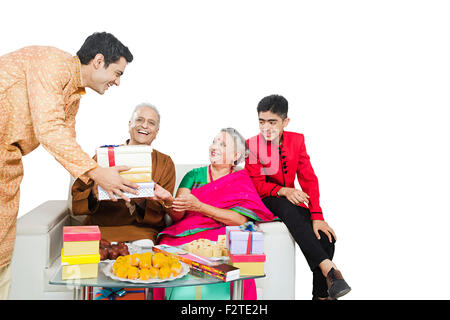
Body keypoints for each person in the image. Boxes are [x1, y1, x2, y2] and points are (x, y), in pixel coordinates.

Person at [0, 32, 137, 299]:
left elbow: (66, 140)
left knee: (3, 253)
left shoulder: (74, 92)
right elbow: (49, 130)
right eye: (117, 73)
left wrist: (95, 182)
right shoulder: (50, 63)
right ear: (99, 61)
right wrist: (97, 173)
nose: (118, 82)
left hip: (7, 165)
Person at [245, 94, 351, 300]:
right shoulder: (252, 145)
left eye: (272, 122)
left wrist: (317, 216)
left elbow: (309, 179)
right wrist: (283, 190)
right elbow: (257, 185)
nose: (266, 127)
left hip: (290, 201)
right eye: (261, 121)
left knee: (325, 238)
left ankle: (321, 295)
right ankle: (329, 268)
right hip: (264, 200)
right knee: (287, 208)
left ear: (286, 122)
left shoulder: (297, 140)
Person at [154, 128, 275, 300]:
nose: (215, 146)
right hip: (187, 232)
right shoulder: (193, 175)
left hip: (220, 234)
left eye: (223, 144)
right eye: (214, 141)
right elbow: (177, 216)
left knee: (234, 252)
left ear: (235, 155)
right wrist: (168, 200)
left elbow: (239, 220)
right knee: (165, 250)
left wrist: (201, 206)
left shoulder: (241, 179)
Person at [72, 103, 176, 243]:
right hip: (101, 227)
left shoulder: (165, 163)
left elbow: (164, 208)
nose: (144, 125)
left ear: (156, 132)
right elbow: (77, 196)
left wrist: (141, 201)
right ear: (129, 125)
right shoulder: (103, 155)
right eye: (139, 120)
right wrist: (93, 194)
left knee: (144, 249)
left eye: (151, 123)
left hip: (140, 230)